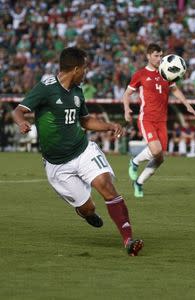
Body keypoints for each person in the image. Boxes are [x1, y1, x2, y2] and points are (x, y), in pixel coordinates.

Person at [13, 47, 143, 256]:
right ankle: (86, 213)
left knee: (105, 185)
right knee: (87, 208)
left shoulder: (77, 91)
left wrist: (109, 125)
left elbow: (84, 121)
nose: (86, 73)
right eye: (84, 68)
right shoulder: (46, 88)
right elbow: (18, 110)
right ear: (75, 69)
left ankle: (128, 239)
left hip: (83, 151)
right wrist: (21, 123)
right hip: (57, 165)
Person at [122, 43, 195, 197]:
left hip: (162, 120)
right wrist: (126, 109)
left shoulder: (166, 72)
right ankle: (135, 162)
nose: (159, 58)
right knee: (155, 150)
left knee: (160, 158)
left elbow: (175, 90)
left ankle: (139, 183)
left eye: (161, 55)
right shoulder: (140, 74)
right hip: (147, 118)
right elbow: (126, 94)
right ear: (148, 56)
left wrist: (187, 105)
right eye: (156, 55)